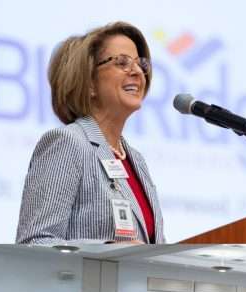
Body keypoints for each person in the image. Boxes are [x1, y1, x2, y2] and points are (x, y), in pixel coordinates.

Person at [16, 21, 164, 245]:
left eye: (140, 63)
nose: (136, 71)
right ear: (90, 83)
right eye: (122, 62)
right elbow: (34, 242)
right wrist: (109, 250)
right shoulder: (68, 143)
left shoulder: (137, 161)